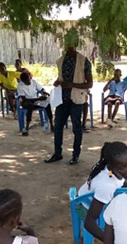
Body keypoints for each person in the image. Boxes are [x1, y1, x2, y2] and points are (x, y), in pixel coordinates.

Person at [44, 29, 93, 165]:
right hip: (62, 99)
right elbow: (62, 78)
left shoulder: (84, 61)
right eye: (67, 42)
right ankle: (57, 153)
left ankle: (75, 155)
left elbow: (90, 84)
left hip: (76, 100)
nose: (69, 45)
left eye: (71, 42)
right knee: (58, 127)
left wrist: (71, 85)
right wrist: (58, 81)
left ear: (76, 43)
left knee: (76, 129)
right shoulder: (60, 61)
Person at [77, 142, 127, 242]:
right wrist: (109, 242)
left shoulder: (112, 170)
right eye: (123, 167)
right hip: (82, 209)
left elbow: (121, 181)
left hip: (91, 200)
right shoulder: (107, 186)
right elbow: (89, 222)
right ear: (111, 167)